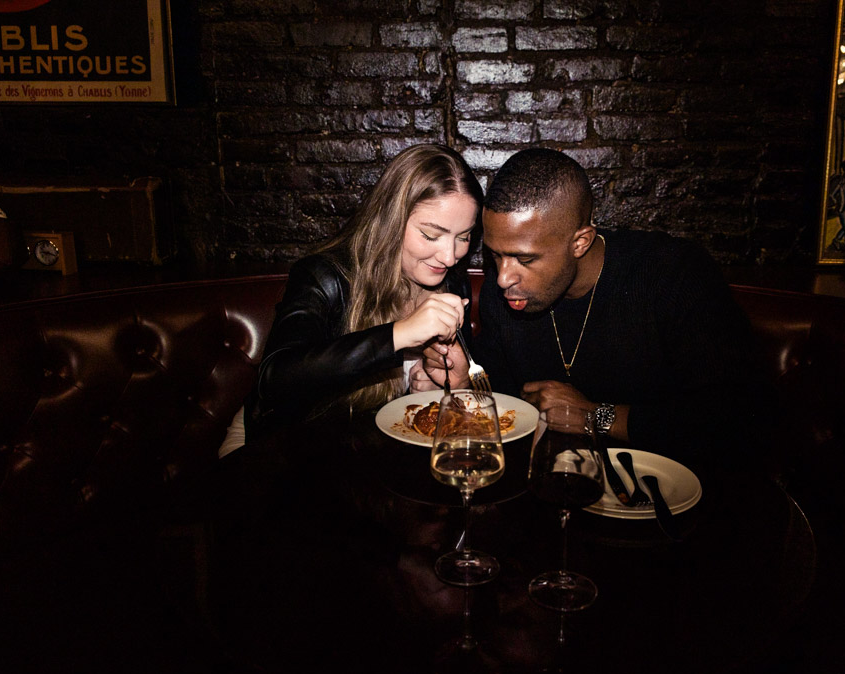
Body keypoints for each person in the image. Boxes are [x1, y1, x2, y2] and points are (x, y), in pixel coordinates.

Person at [431, 148, 773, 471]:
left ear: (580, 241)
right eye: (495, 255)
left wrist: (598, 417)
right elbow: (510, 410)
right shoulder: (499, 293)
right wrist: (467, 383)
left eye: (525, 258)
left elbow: (736, 417)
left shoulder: (672, 276)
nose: (503, 277)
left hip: (667, 494)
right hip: (548, 489)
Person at [221, 143, 483, 452]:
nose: (450, 256)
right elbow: (275, 380)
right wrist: (399, 334)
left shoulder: (452, 283)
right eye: (430, 235)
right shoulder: (324, 276)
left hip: (363, 447)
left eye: (464, 237)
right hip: (279, 441)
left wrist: (455, 384)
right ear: (391, 221)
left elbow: (441, 406)